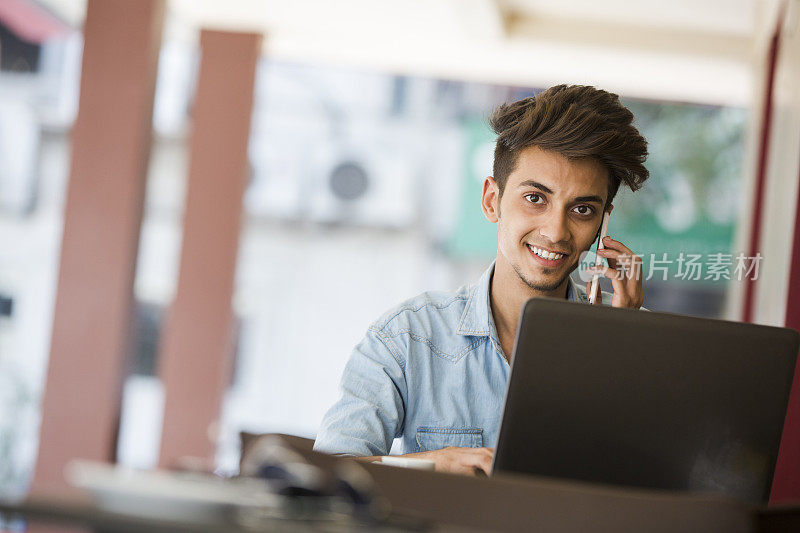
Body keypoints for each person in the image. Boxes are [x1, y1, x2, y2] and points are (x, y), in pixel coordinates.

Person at [313, 84, 650, 475]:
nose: (556, 231)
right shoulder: (407, 338)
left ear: (602, 222)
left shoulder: (634, 343)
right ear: (492, 200)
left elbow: (649, 487)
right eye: (535, 199)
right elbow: (329, 474)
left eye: (582, 209)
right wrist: (430, 466)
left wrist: (626, 345)